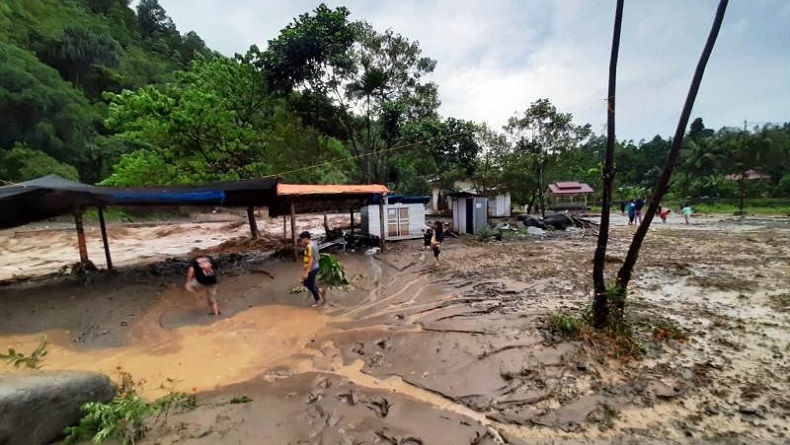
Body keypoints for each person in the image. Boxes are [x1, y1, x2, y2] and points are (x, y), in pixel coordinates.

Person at [299, 231, 325, 308]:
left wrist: (307, 272)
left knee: (311, 286)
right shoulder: (314, 243)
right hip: (315, 267)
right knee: (306, 283)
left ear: (305, 238)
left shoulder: (309, 247)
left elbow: (311, 260)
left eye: (302, 239)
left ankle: (317, 301)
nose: (301, 241)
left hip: (312, 268)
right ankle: (320, 290)